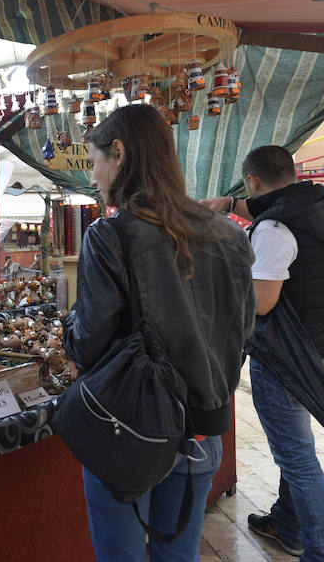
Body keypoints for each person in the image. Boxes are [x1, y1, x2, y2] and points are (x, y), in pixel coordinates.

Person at [64, 104, 256, 561]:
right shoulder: (229, 235)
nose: (94, 178)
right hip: (204, 428)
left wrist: (68, 324)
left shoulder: (110, 235)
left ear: (119, 152)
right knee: (179, 555)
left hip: (130, 431)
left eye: (94, 164)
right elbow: (242, 330)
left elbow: (88, 343)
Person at [203, 145, 324, 560]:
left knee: (297, 458)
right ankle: (288, 526)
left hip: (284, 359)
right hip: (318, 346)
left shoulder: (273, 229)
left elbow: (262, 302)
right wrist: (230, 205)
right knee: (299, 448)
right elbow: (281, 214)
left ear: (252, 180)